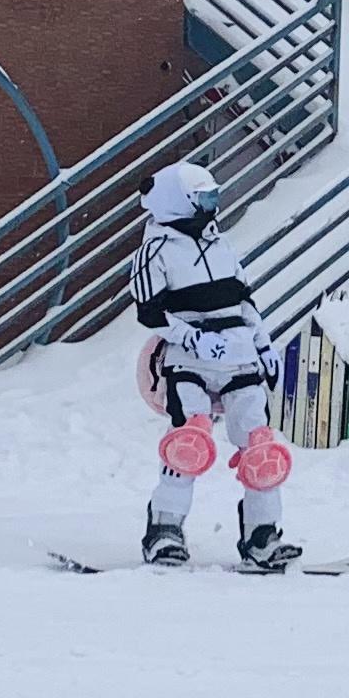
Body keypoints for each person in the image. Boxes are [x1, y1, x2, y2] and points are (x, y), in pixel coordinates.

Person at [129, 160, 299, 569]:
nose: (212, 204)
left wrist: (262, 345)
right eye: (203, 197)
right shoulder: (155, 250)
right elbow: (150, 313)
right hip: (189, 360)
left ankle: (262, 535)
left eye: (212, 196)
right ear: (178, 199)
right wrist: (195, 338)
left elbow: (243, 300)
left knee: (260, 446)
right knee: (189, 441)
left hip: (239, 358)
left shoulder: (219, 244)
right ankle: (164, 530)